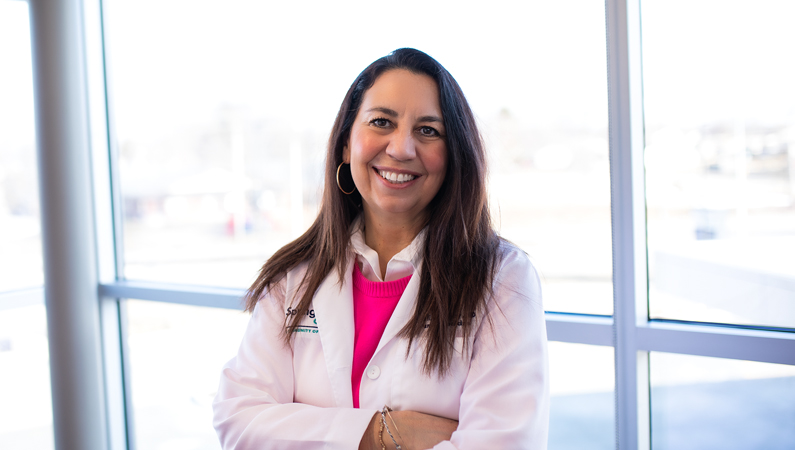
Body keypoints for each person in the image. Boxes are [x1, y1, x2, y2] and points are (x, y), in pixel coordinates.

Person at [213, 48, 549, 450]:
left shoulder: (501, 279)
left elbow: (503, 443)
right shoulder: (294, 276)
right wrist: (378, 435)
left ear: (454, 154)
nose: (402, 148)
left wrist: (304, 431)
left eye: (429, 130)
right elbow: (239, 419)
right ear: (345, 144)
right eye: (381, 122)